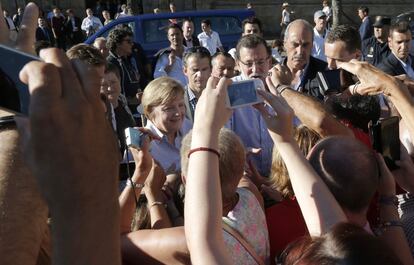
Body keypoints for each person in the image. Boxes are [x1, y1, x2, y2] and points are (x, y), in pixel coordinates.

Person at [227, 34, 274, 177]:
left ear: (269, 62)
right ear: (237, 63)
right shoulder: (229, 91)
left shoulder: (280, 89)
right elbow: (224, 137)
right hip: (243, 177)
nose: (255, 69)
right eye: (248, 64)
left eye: (260, 62)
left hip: (279, 177)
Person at [141, 77, 192, 171]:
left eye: (181, 105)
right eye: (169, 108)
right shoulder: (140, 146)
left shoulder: (189, 128)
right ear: (149, 111)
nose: (178, 113)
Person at [282, 19, 327, 98]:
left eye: (305, 45)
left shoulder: (325, 72)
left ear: (312, 45)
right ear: (285, 44)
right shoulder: (272, 74)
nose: (300, 51)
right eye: (295, 44)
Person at [107, 28, 145, 105]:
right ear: (118, 43)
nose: (132, 44)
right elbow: (111, 93)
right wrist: (130, 101)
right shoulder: (110, 64)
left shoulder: (127, 60)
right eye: (128, 41)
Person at [182, 46, 212, 122]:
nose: (200, 75)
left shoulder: (221, 96)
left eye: (204, 69)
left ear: (211, 70)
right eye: (195, 70)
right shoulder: (177, 99)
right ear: (185, 71)